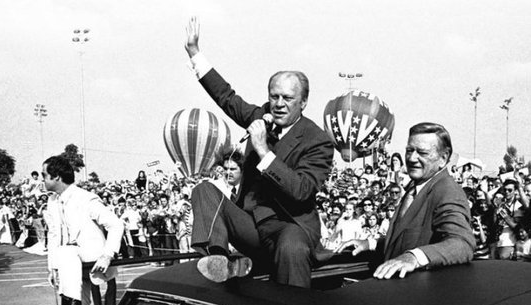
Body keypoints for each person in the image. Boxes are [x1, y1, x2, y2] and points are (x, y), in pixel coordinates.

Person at [184, 17, 334, 287]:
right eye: (274, 96)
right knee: (204, 190)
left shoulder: (317, 140)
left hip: (289, 226)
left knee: (292, 249)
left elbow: (302, 190)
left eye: (287, 98)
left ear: (303, 102)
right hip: (252, 224)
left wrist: (264, 150)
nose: (278, 104)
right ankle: (219, 258)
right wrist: (195, 53)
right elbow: (227, 98)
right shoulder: (261, 116)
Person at [336, 122, 474, 279]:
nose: (412, 158)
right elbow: (405, 237)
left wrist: (413, 258)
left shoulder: (447, 190)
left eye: (422, 152)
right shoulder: (415, 186)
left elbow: (462, 243)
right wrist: (370, 244)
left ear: (443, 158)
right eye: (409, 150)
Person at [42, 155, 124, 305]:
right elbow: (54, 235)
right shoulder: (52, 202)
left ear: (56, 176)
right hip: (70, 264)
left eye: (44, 175)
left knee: (66, 251)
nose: (42, 179)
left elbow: (116, 224)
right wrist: (53, 268)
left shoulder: (85, 198)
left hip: (92, 258)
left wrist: (107, 256)